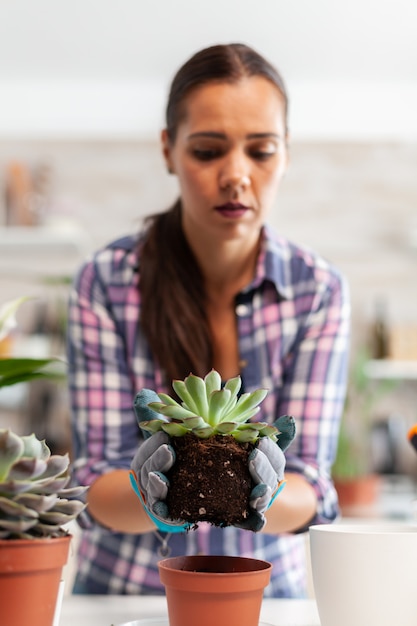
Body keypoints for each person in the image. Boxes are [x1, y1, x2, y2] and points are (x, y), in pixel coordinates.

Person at [67, 42, 351, 598]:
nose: (236, 176)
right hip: (126, 594)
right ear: (169, 150)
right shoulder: (105, 283)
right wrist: (157, 496)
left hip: (266, 599)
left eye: (262, 151)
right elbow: (92, 488)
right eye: (207, 151)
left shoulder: (316, 290)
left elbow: (312, 485)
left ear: (286, 153)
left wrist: (261, 493)